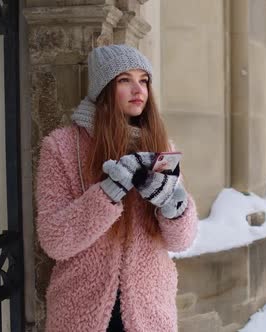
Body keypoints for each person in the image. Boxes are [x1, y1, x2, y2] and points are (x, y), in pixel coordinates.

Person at [35, 44, 199, 332]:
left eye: (144, 80)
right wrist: (107, 194)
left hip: (149, 312)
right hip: (81, 311)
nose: (139, 90)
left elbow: (181, 241)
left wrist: (174, 205)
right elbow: (54, 240)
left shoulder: (161, 148)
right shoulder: (61, 147)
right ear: (104, 89)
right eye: (125, 80)